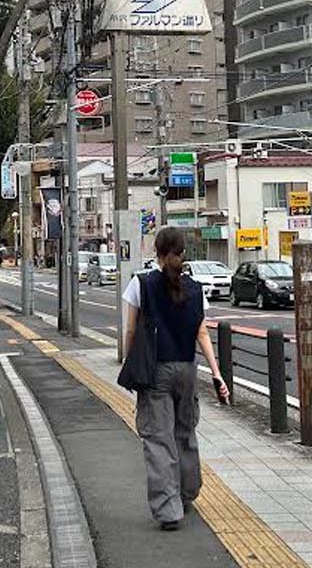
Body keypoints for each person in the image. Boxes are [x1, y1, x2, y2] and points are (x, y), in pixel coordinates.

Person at [121, 227, 230, 531]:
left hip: (157, 371)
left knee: (158, 439)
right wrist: (217, 374)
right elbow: (202, 333)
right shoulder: (195, 289)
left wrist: (133, 363)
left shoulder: (140, 284)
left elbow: (130, 331)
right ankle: (187, 492)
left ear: (157, 252)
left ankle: (169, 511)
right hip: (187, 368)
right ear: (183, 253)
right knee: (185, 432)